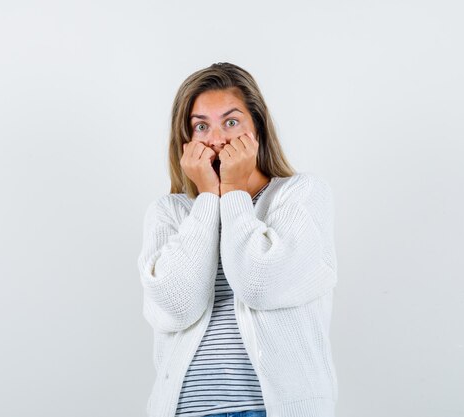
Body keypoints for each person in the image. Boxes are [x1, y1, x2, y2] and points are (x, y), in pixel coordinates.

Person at [137, 62, 338, 417]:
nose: (217, 140)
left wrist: (232, 191)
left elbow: (260, 284)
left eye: (231, 122)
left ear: (257, 127)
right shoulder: (169, 213)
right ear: (185, 142)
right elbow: (177, 305)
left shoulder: (300, 196)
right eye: (201, 126)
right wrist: (207, 200)